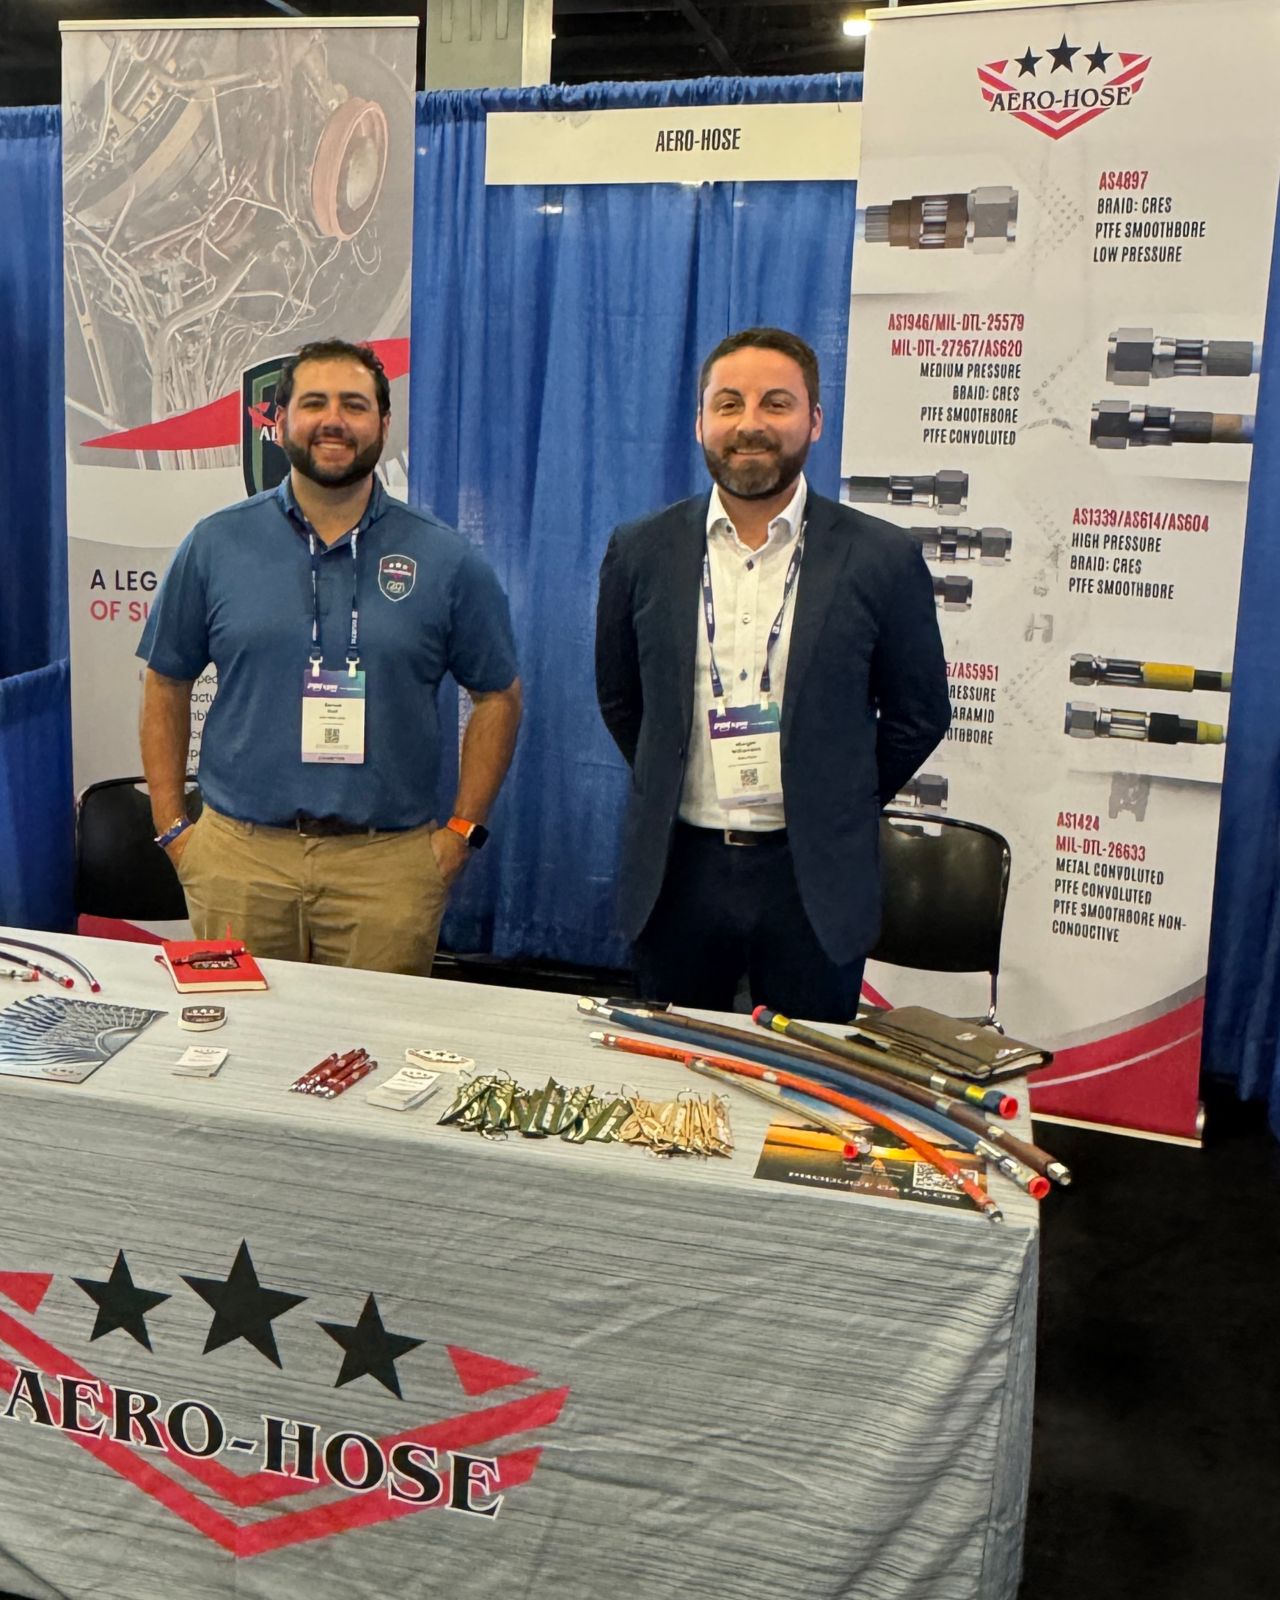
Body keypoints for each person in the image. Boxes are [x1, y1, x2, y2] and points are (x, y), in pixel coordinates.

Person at [594, 326, 950, 1022]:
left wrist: (836, 797)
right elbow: (620, 697)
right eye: (728, 404)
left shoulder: (881, 558)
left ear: (814, 420)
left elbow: (919, 714)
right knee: (675, 1090)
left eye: (775, 404)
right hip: (677, 875)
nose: (749, 424)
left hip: (811, 879)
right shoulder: (640, 549)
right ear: (700, 422)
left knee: (808, 1098)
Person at [138, 339, 522, 975]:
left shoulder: (447, 559)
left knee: (375, 1061)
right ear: (279, 420)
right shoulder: (215, 544)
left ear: (384, 425)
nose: (333, 420)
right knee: (238, 1053)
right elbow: (164, 682)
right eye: (313, 403)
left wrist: (460, 836)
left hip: (388, 870)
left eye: (355, 404)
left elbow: (498, 697)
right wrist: (175, 831)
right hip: (238, 860)